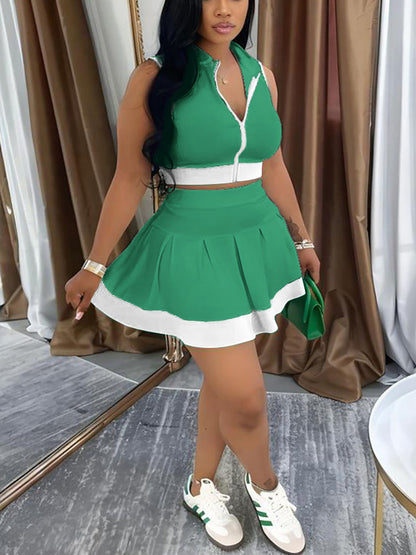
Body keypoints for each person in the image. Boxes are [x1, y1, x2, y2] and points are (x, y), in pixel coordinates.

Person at [65, 0, 320, 552]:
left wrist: (301, 237)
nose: (225, 9)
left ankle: (201, 484)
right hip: (194, 250)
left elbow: (273, 164)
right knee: (246, 399)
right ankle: (266, 486)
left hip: (257, 241)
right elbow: (129, 178)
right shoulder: (154, 77)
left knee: (225, 382)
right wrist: (94, 263)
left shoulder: (260, 75)